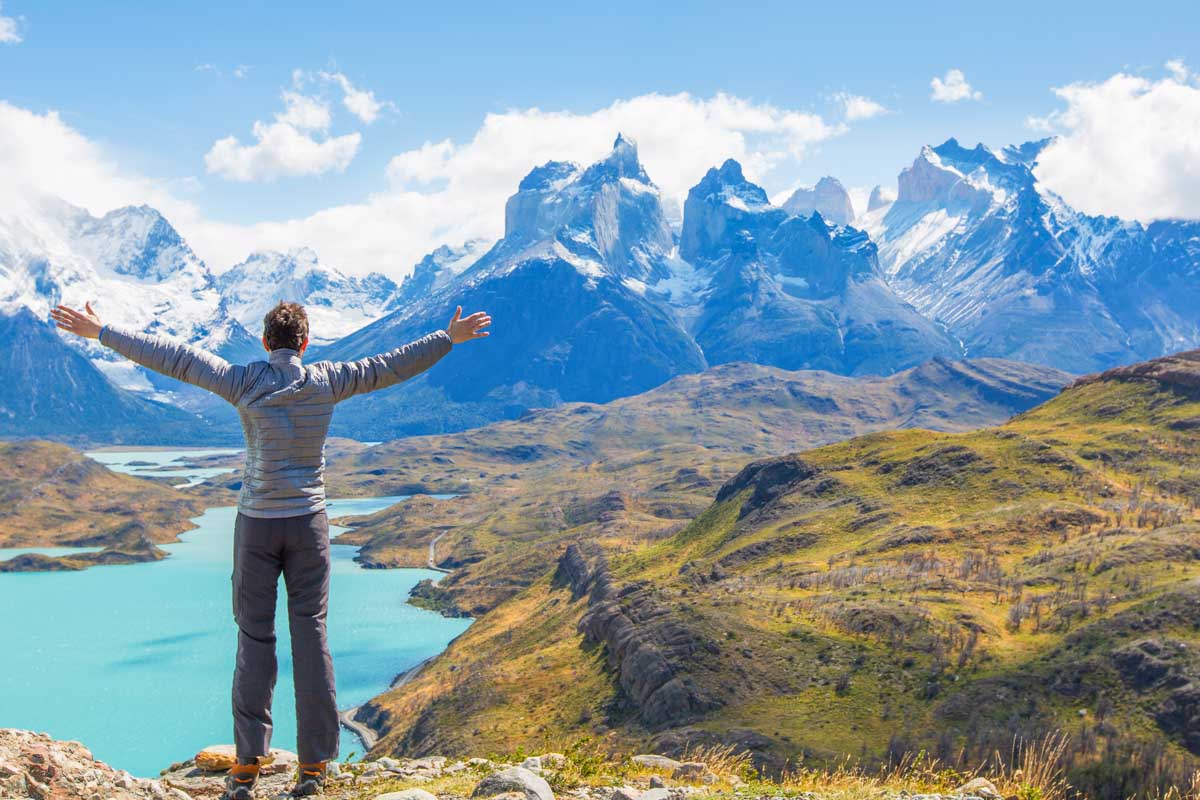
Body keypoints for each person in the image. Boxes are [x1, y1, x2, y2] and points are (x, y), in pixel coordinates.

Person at [50, 300, 491, 799]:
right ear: (306, 344)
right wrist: (447, 338)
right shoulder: (329, 379)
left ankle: (245, 767)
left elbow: (173, 356)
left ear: (265, 343)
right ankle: (315, 766)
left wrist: (103, 330)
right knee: (311, 637)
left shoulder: (243, 382)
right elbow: (390, 366)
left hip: (257, 525)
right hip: (309, 525)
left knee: (254, 639)